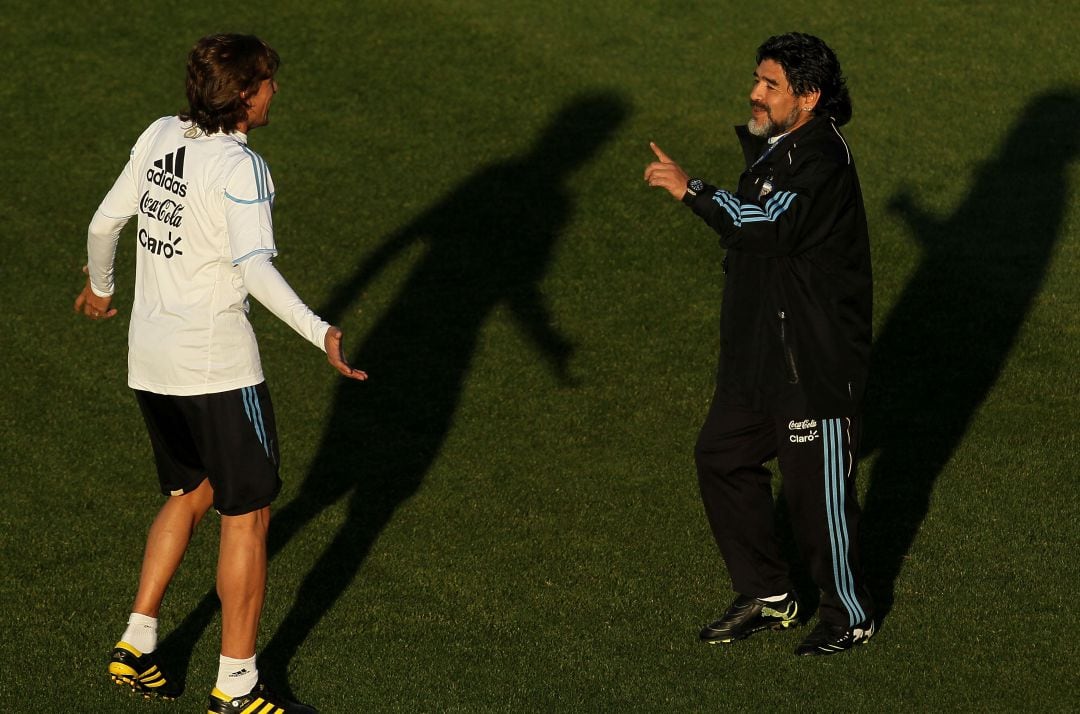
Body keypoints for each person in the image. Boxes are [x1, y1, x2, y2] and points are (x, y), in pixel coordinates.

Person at [74, 33, 367, 710]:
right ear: (243, 94)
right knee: (248, 514)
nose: (274, 91)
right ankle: (237, 685)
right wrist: (319, 330)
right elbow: (253, 269)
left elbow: (103, 222)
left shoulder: (157, 136)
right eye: (267, 81)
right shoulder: (242, 169)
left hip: (149, 363)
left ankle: (137, 640)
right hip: (216, 369)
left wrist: (103, 289)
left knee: (189, 491)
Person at [644, 32, 875, 656]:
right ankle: (770, 594)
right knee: (720, 457)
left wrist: (693, 190)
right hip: (758, 357)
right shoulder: (783, 148)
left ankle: (847, 614)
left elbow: (768, 227)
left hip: (811, 363)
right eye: (757, 78)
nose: (754, 92)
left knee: (816, 499)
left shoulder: (821, 158)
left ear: (809, 96)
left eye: (770, 85)